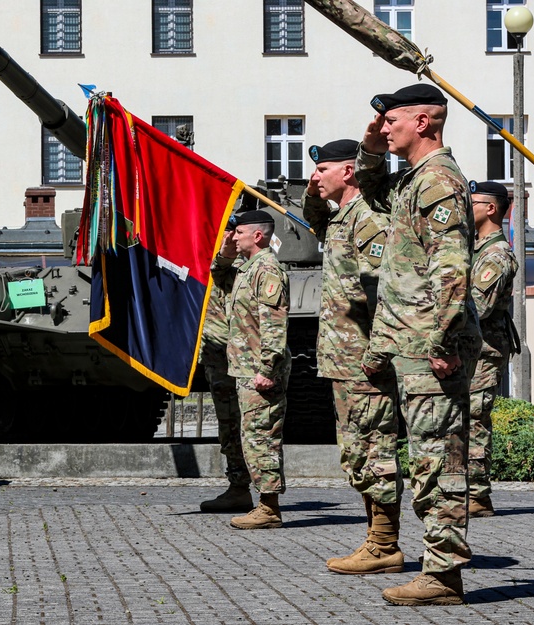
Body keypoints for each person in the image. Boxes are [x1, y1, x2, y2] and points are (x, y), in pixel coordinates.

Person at [355, 83, 482, 606]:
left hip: (433, 346)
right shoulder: (412, 180)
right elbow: (368, 188)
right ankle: (438, 569)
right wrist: (369, 146)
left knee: (439, 461)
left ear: (424, 122)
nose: (385, 129)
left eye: (392, 120)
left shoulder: (437, 181)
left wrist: (443, 339)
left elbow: (451, 268)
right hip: (412, 343)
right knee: (428, 459)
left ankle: (443, 575)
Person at [302, 139, 402, 575]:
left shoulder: (367, 221)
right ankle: (376, 541)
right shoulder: (341, 219)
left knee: (374, 450)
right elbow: (313, 218)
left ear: (348, 173)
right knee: (357, 452)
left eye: (323, 169)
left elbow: (385, 292)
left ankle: (384, 545)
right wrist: (311, 193)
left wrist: (378, 354)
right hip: (344, 360)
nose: (315, 176)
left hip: (364, 361)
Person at [212, 209, 291, 530]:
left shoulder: (267, 269)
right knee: (252, 436)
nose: (234, 236)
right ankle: (262, 502)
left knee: (263, 436)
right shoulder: (246, 268)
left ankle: (269, 508)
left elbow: (274, 325)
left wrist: (268, 368)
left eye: (239, 232)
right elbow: (218, 277)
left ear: (257, 235)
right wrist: (227, 251)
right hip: (245, 367)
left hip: (260, 369)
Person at [466, 180, 519, 518]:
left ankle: (478, 496)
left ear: (491, 209)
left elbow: (477, 307)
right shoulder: (475, 248)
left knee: (474, 419)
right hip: (470, 348)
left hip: (484, 351)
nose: (466, 210)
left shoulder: (496, 256)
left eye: (473, 204)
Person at [200, 215, 253, 513]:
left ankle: (268, 495)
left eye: (233, 231)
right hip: (217, 357)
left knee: (256, 427)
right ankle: (238, 486)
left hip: (245, 357)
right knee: (228, 424)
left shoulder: (251, 267)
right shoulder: (213, 264)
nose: (228, 237)